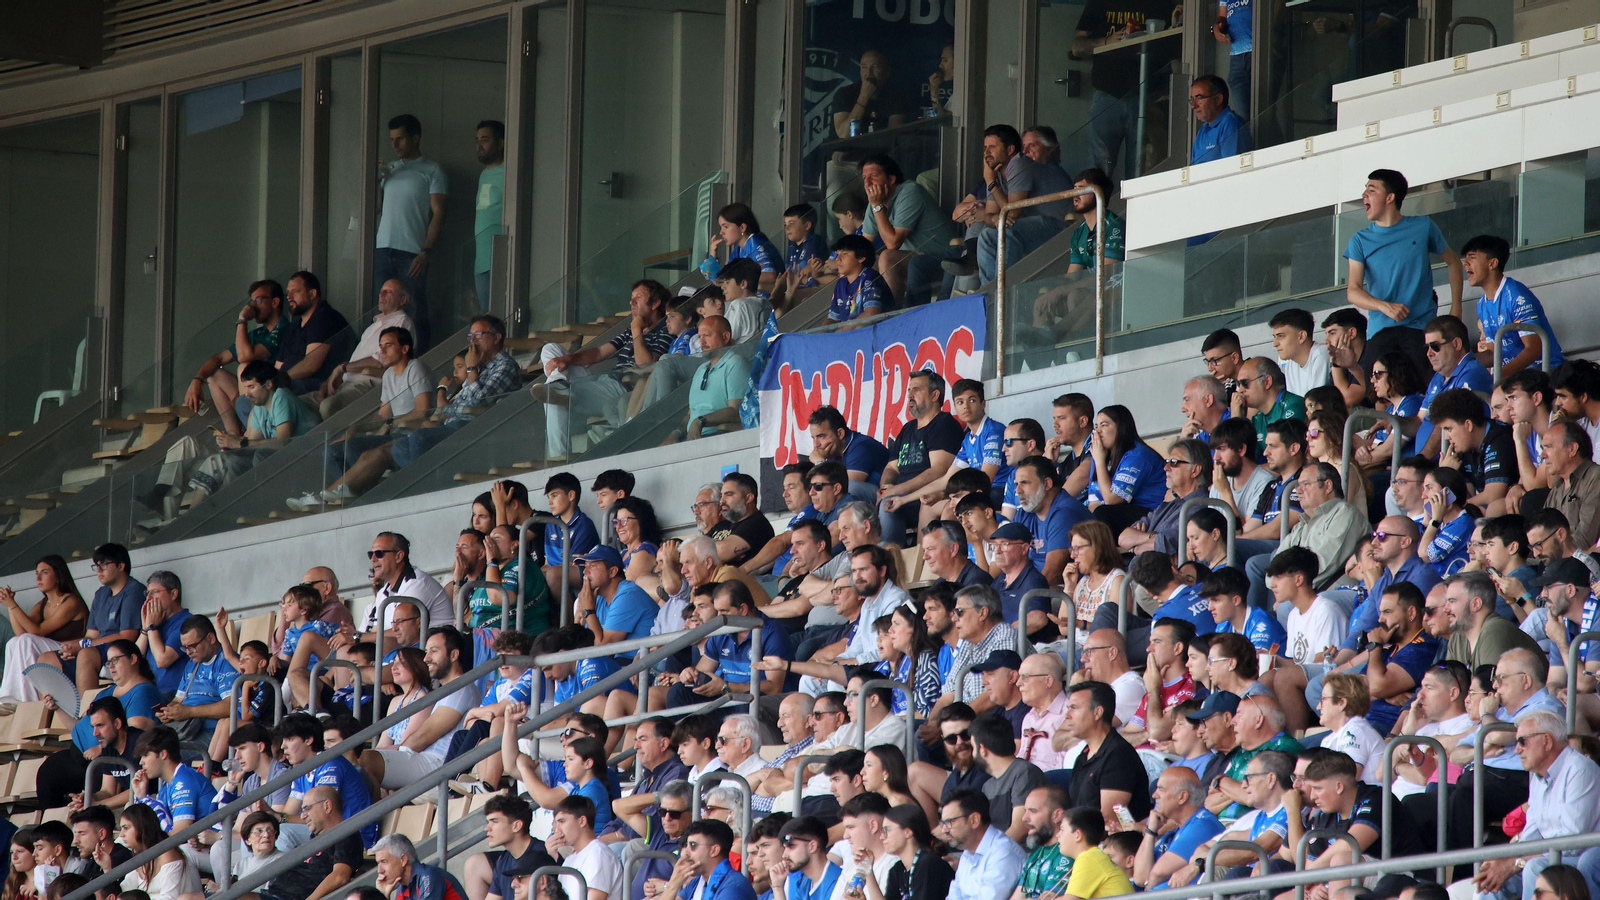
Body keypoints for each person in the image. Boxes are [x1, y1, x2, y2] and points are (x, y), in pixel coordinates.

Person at [1345, 169, 1464, 379]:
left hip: (1421, 329)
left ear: (1390, 197)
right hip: (1381, 330)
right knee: (1380, 395)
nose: (1364, 195)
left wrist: (1456, 308)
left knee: (1424, 390)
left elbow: (1453, 262)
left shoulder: (1423, 226)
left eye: (1371, 190)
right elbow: (1353, 291)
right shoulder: (1359, 240)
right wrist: (1384, 306)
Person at [540, 282, 672, 458]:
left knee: (551, 396)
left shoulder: (665, 329)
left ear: (655, 303)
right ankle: (559, 384)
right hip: (603, 381)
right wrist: (568, 359)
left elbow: (645, 365)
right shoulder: (630, 330)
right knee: (550, 350)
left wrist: (636, 330)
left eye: (638, 298)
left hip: (623, 386)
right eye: (631, 299)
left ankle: (559, 455)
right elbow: (600, 353)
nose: (631, 303)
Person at [360, 627, 481, 790]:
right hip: (423, 759)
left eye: (434, 651)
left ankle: (372, 815)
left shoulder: (461, 688)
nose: (426, 658)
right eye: (426, 652)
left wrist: (397, 755)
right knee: (359, 765)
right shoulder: (447, 690)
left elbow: (425, 735)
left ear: (453, 655)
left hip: (438, 763)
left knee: (367, 760)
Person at [955, 125, 1072, 285]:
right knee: (987, 234)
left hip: (1062, 228)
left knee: (1002, 234)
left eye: (992, 147)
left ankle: (1003, 293)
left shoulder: (1019, 163)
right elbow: (990, 217)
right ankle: (990, 295)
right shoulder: (997, 173)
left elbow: (1011, 215)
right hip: (1036, 226)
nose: (986, 152)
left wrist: (990, 182)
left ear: (1010, 149)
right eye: (985, 147)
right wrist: (995, 218)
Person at [35, 544, 144, 705]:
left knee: (86, 655)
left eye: (104, 565)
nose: (99, 570)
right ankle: (53, 715)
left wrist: (83, 646)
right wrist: (74, 647)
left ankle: (88, 715)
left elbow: (127, 636)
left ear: (121, 566)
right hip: (97, 648)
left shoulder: (134, 591)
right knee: (46, 659)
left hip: (120, 649)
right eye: (97, 566)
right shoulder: (101, 594)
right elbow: (91, 635)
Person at [374, 114, 446, 344]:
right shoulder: (390, 169)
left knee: (414, 308)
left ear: (416, 138)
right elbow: (376, 208)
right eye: (392, 139)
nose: (395, 144)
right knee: (383, 309)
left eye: (401, 139)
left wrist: (426, 251)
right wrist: (376, 178)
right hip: (383, 248)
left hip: (411, 250)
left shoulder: (432, 170)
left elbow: (439, 212)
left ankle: (421, 360)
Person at [183, 279, 288, 435]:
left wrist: (242, 319)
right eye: (251, 301)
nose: (253, 306)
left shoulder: (285, 328)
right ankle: (233, 433)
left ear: (275, 302)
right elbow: (218, 358)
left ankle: (252, 428)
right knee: (214, 375)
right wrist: (197, 380)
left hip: (272, 398)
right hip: (251, 396)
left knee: (243, 367)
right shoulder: (259, 334)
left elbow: (246, 356)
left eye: (258, 300)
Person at [860, 155, 960, 306]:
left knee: (887, 257)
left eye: (874, 176)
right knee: (864, 262)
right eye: (864, 178)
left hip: (942, 258)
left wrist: (877, 206)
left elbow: (893, 243)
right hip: (913, 261)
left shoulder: (909, 191)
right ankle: (869, 309)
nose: (868, 183)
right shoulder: (875, 203)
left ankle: (890, 314)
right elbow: (862, 247)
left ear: (891, 179)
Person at [878, 370, 961, 545]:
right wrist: (887, 486)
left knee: (886, 505)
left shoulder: (944, 424)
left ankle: (892, 562)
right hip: (898, 493)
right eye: (909, 390)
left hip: (925, 496)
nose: (909, 395)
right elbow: (891, 468)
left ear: (934, 395)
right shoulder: (907, 428)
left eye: (916, 390)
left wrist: (897, 490)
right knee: (854, 499)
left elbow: (939, 470)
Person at [1052, 681, 1152, 824]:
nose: (1067, 715)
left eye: (1074, 708)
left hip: (1113, 843)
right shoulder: (1083, 756)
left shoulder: (1118, 756)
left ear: (1098, 713)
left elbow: (1108, 821)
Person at [1466, 233, 1563, 378]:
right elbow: (1494, 354)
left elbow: (1534, 349)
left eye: (1472, 257)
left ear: (1492, 263)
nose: (1465, 263)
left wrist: (1498, 378)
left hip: (1545, 370)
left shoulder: (1516, 296)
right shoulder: (1482, 304)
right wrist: (1461, 363)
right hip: (1515, 376)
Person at [317, 281, 419, 417]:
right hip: (345, 382)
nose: (381, 295)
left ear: (403, 300)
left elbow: (381, 360)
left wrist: (342, 368)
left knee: (328, 406)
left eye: (388, 292)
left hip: (367, 384)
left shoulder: (402, 322)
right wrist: (332, 378)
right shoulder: (373, 326)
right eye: (381, 291)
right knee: (295, 403)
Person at [0, 555, 87, 704]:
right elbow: (21, 633)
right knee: (14, 642)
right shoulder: (42, 604)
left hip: (70, 651)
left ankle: (28, 700)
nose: (38, 577)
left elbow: (37, 632)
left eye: (45, 572)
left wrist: (13, 605)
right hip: (49, 652)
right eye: (36, 573)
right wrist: (10, 607)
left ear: (58, 576)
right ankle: (8, 699)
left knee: (26, 641)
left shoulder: (71, 601)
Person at [1132, 767, 1225, 890]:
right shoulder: (1177, 830)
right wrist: (1150, 831)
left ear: (1182, 797)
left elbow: (1158, 874)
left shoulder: (1203, 825)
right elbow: (1140, 878)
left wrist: (1147, 891)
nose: (1154, 795)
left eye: (1161, 789)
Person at [1118, 438, 1212, 556]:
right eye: (1167, 462)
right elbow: (1123, 538)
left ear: (1195, 470)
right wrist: (1152, 537)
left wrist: (1137, 545)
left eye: (1173, 462)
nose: (1166, 467)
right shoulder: (1168, 505)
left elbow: (1167, 545)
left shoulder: (1200, 507)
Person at [1084, 405, 1166, 535]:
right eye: (1096, 427)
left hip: (1151, 514)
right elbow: (1093, 502)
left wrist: (1099, 462)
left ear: (1120, 427)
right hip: (1120, 512)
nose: (1098, 431)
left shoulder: (1137, 455)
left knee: (1103, 513)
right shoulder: (1100, 455)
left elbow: (1112, 500)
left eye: (1104, 425)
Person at [1012, 456, 1092, 585]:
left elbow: (1052, 574)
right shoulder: (1024, 513)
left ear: (1047, 484)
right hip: (1035, 588)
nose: (1018, 490)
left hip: (1067, 591)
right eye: (1016, 484)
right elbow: (1009, 559)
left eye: (1025, 483)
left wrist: (1023, 598)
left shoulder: (1065, 513)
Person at [673, 315, 750, 442]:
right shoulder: (701, 369)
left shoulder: (735, 363)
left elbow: (738, 411)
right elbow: (690, 414)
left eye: (707, 336)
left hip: (719, 438)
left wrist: (701, 421)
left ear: (725, 337)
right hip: (692, 438)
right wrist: (674, 434)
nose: (701, 342)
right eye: (699, 337)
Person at [940, 790, 1027, 900]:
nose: (944, 830)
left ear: (974, 820)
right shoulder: (967, 854)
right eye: (943, 823)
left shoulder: (1003, 852)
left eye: (949, 822)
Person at [808, 406, 894, 503]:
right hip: (871, 501)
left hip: (887, 497)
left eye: (821, 436)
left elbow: (843, 490)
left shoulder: (861, 446)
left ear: (840, 433)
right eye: (813, 438)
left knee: (849, 488)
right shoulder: (833, 452)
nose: (816, 444)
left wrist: (820, 463)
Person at [657, 819, 755, 900]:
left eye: (693, 845)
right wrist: (674, 883)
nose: (686, 852)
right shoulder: (698, 882)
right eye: (687, 845)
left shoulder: (734, 887)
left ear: (714, 850)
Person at [116, 804, 198, 900]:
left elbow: (169, 898)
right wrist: (107, 868)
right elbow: (124, 890)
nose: (121, 834)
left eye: (126, 828)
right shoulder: (140, 854)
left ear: (142, 827)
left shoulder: (167, 854)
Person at [1542, 421, 1600, 550]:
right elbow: (1541, 533)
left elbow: (1585, 539)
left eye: (1549, 447)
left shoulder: (1596, 478)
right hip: (1553, 560)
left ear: (1572, 449)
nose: (1542, 455)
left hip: (1578, 564)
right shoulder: (1557, 488)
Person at [833, 51, 913, 138]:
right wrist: (864, 96)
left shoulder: (895, 94)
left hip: (881, 148)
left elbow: (894, 135)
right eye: (864, 67)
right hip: (848, 149)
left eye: (875, 67)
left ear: (886, 72)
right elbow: (844, 135)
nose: (869, 74)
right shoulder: (845, 93)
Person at [472, 120, 506, 313]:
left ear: (501, 143)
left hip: (500, 254)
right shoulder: (484, 174)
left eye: (485, 140)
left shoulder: (509, 171)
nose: (479, 145)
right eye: (477, 140)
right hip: (481, 258)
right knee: (487, 314)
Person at [826, 235, 889, 325]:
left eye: (844, 254)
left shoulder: (870, 276)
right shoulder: (841, 283)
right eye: (837, 254)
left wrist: (843, 331)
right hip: (851, 336)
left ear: (861, 258)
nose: (838, 259)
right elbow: (831, 319)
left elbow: (871, 313)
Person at [1188, 75, 1251, 165]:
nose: (1193, 105)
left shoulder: (1230, 123)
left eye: (1199, 98)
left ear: (1218, 99)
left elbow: (1231, 167)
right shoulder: (1203, 130)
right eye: (1192, 99)